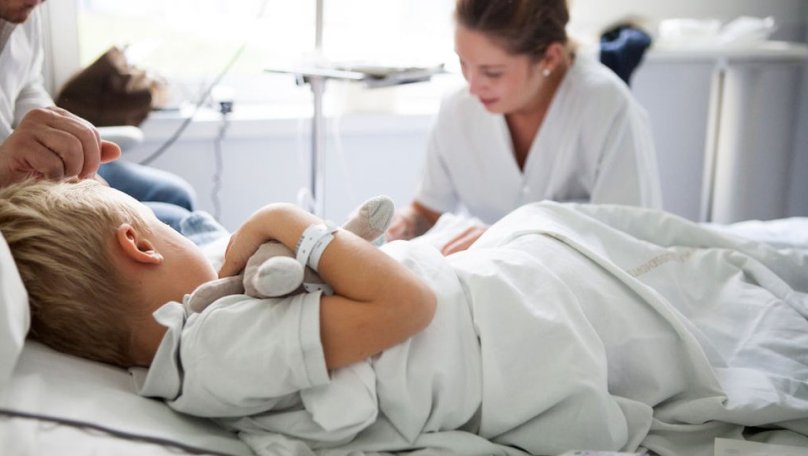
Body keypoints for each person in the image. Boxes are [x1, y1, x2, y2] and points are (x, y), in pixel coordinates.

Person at [2, 178, 807, 456]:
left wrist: (342, 247)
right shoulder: (217, 348)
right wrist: (289, 220)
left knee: (565, 233)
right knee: (666, 279)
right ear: (139, 244)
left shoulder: (207, 339)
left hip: (495, 315)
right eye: (163, 221)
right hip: (522, 335)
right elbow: (408, 306)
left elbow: (340, 308)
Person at [387, 0, 663, 255]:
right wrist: (402, 225)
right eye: (463, 63)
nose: (472, 86)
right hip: (490, 277)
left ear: (550, 57)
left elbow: (629, 240)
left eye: (492, 72)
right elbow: (428, 212)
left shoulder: (607, 107)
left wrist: (509, 237)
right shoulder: (457, 108)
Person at [0, 0, 196, 232]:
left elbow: (27, 84)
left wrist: (57, 134)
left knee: (176, 195)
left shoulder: (22, 12)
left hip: (33, 167)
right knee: (181, 223)